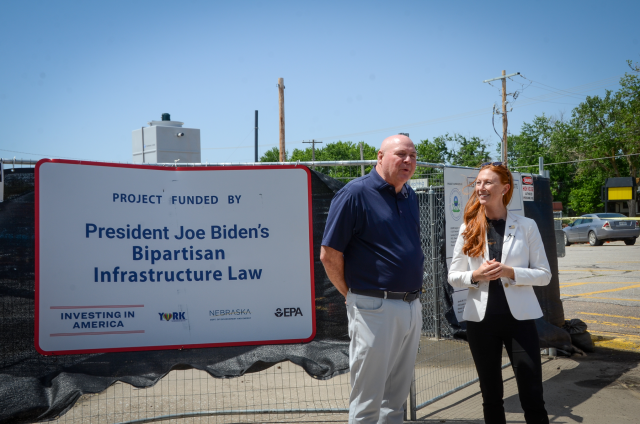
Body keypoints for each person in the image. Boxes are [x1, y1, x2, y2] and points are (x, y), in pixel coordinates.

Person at [320, 134, 424, 424]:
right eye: (400, 154)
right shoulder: (355, 194)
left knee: (395, 400)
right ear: (380, 156)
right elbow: (329, 254)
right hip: (373, 308)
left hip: (411, 305)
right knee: (368, 400)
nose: (408, 161)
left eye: (413, 156)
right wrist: (350, 294)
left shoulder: (409, 194)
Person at [448, 162, 551, 424]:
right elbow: (453, 276)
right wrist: (476, 276)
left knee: (532, 393)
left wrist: (510, 272)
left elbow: (544, 274)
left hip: (520, 321)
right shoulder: (468, 227)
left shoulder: (526, 226)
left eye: (488, 182)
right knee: (490, 395)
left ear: (504, 188)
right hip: (481, 323)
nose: (481, 187)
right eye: (479, 182)